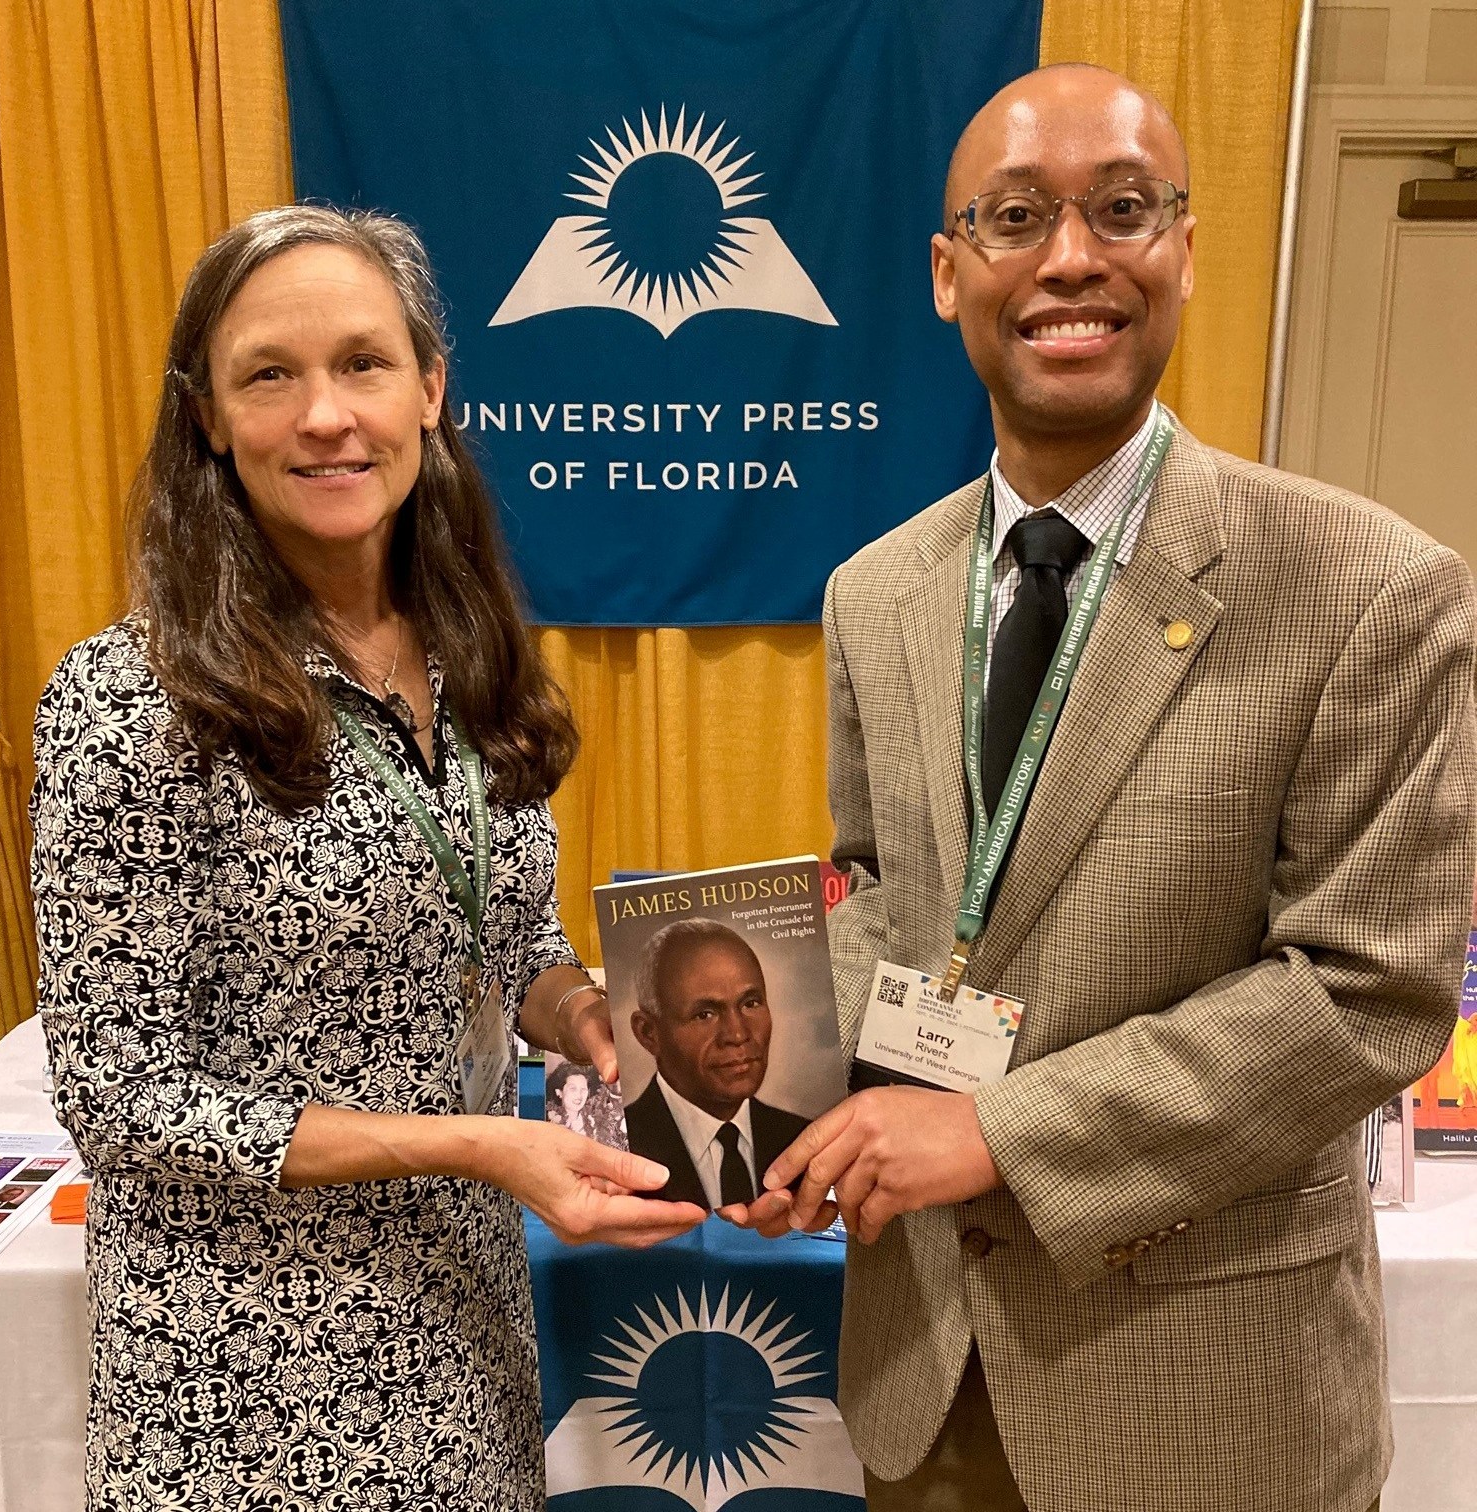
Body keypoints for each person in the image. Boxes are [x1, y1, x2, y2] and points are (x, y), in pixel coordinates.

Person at [723, 64, 1475, 1512]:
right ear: (950, 276)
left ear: (1186, 251)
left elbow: (1365, 992)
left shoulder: (1375, 590)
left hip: (1206, 1394)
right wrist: (782, 1098)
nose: (1071, 258)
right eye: (1016, 219)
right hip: (924, 1370)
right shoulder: (874, 592)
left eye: (1122, 210)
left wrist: (993, 1134)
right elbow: (882, 884)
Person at [30, 205, 704, 1512]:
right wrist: (474, 1144)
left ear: (432, 388)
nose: (326, 414)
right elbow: (120, 1100)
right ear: (210, 418)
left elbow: (508, 942)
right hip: (248, 1386)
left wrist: (586, 1018)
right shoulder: (127, 703)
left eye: (363, 362)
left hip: (462, 1335)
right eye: (269, 375)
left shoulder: (475, 656)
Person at [624, 918, 809, 1208]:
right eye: (705, 1014)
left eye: (750, 1004)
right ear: (649, 1033)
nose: (737, 1034)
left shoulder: (800, 1138)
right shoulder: (621, 1147)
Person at [545, 1057, 628, 1149]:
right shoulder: (548, 1122)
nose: (579, 1095)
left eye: (583, 1089)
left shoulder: (594, 1123)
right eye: (573, 1089)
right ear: (559, 1092)